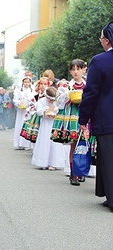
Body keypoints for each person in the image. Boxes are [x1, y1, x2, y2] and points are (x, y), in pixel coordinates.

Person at [78, 21, 113, 212]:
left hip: (107, 118)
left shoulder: (99, 61)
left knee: (108, 159)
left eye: (101, 38)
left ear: (106, 41)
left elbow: (90, 93)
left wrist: (83, 119)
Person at [51, 59, 87, 185]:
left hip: (86, 114)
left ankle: (82, 169)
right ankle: (74, 172)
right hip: (71, 115)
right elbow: (59, 103)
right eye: (73, 69)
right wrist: (67, 95)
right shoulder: (66, 85)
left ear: (84, 70)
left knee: (84, 144)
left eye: (78, 69)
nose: (76, 72)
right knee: (74, 143)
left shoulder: (88, 83)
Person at [31, 87, 67, 170]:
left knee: (54, 142)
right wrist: (46, 110)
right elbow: (39, 111)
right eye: (50, 99)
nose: (51, 101)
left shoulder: (57, 102)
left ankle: (54, 163)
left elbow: (60, 108)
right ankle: (43, 162)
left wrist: (55, 109)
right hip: (45, 123)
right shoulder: (42, 101)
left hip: (54, 123)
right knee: (45, 141)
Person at [13, 76, 35, 149]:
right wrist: (19, 103)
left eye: (28, 82)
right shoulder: (19, 90)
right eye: (25, 82)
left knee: (27, 125)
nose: (26, 83)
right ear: (23, 83)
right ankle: (18, 143)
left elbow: (34, 99)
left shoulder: (32, 91)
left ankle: (27, 144)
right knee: (20, 125)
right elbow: (15, 99)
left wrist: (29, 103)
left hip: (28, 111)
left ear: (30, 83)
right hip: (21, 111)